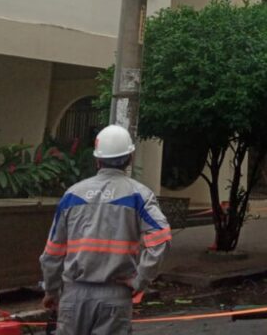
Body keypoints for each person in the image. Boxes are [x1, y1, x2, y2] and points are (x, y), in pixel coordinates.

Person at [40, 124, 172, 335]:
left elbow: (52, 253)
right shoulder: (139, 195)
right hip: (115, 296)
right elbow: (160, 239)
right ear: (130, 157)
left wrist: (51, 290)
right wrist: (140, 281)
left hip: (73, 295)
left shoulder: (72, 195)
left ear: (97, 159)